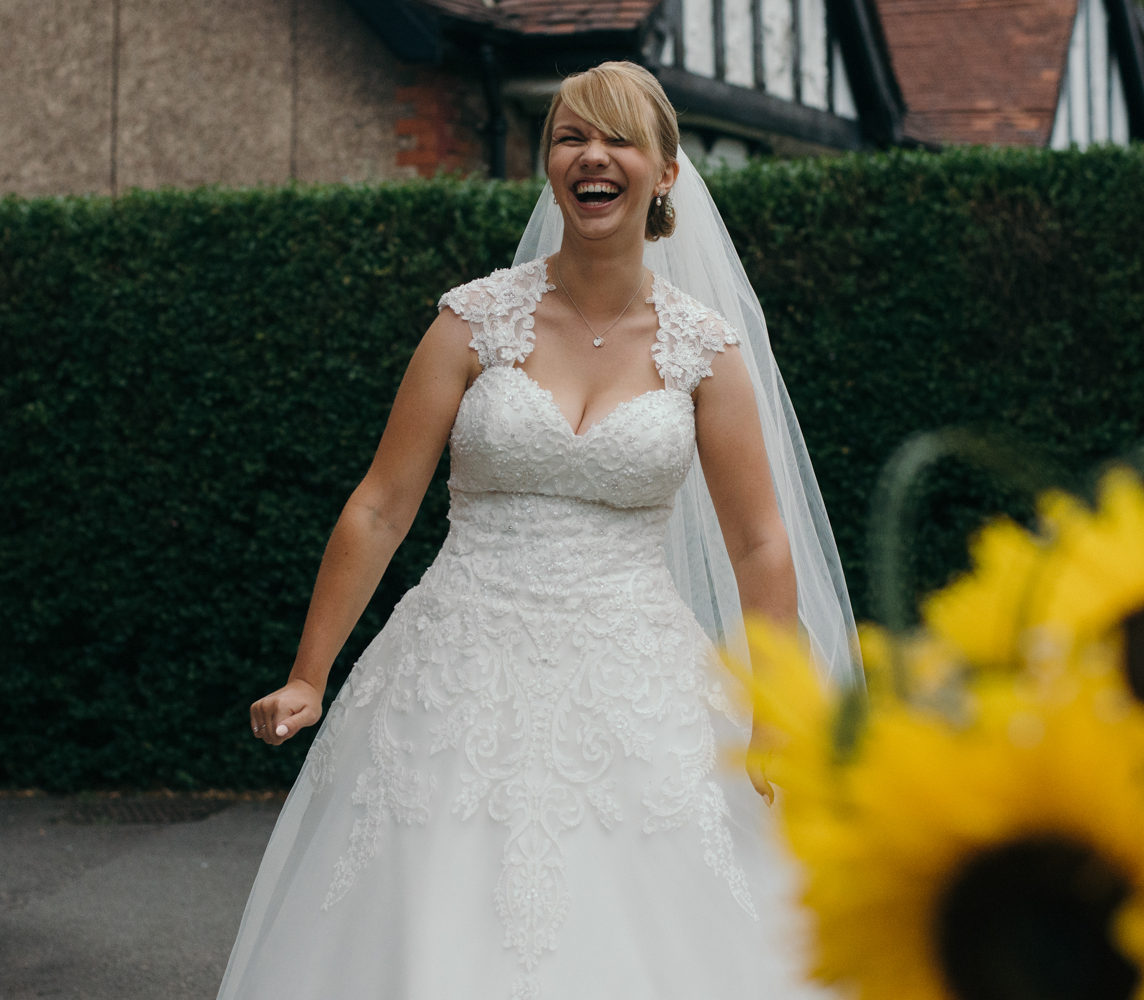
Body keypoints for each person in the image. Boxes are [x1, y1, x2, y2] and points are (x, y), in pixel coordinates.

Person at [218, 61, 859, 1000]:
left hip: (639, 690)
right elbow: (382, 504)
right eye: (569, 137)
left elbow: (760, 543)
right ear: (549, 165)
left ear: (666, 173)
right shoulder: (471, 322)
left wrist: (771, 709)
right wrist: (309, 673)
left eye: (618, 138)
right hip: (453, 679)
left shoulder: (704, 352)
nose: (592, 155)